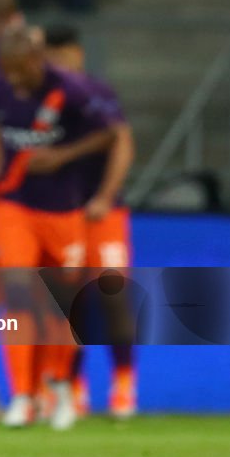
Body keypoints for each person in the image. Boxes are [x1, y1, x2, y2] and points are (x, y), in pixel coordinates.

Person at [0, 24, 116, 430]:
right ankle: (20, 396)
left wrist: (62, 155)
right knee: (18, 294)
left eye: (20, 69)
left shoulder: (72, 91)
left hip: (63, 210)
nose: (14, 78)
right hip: (13, 206)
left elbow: (110, 135)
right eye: (8, 69)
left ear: (38, 60)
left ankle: (59, 387)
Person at [45, 25, 136, 419]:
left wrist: (103, 196)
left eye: (65, 56)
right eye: (52, 58)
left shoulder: (95, 94)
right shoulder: (43, 100)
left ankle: (124, 383)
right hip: (61, 213)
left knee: (113, 293)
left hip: (102, 212)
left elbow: (122, 141)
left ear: (78, 55)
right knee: (70, 304)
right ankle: (73, 385)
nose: (60, 65)